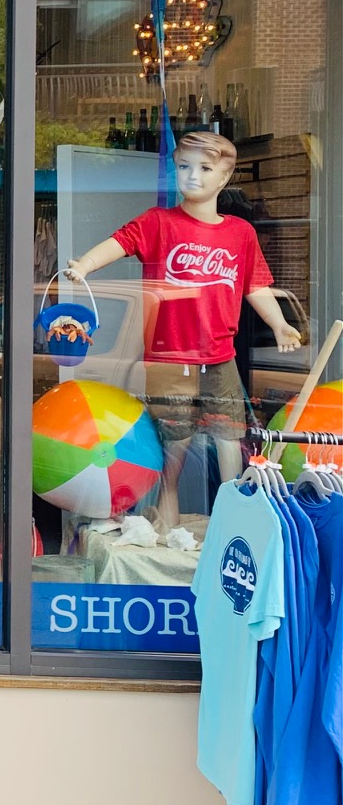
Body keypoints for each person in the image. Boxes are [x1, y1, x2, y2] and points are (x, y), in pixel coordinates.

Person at [62, 131, 300, 528]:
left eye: (205, 168)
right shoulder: (159, 222)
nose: (192, 176)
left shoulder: (241, 233)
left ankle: (231, 518)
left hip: (220, 355)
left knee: (229, 438)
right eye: (184, 166)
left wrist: (279, 323)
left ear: (224, 177)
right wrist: (85, 264)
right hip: (170, 357)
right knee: (176, 442)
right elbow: (120, 242)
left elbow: (254, 285)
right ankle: (167, 517)